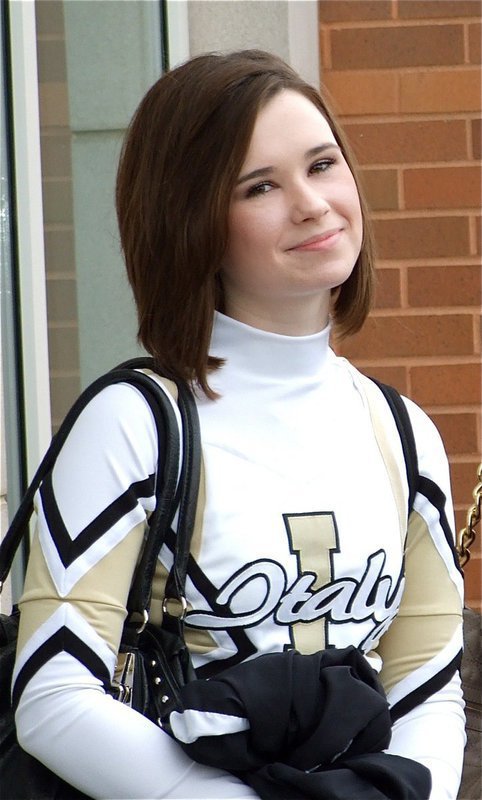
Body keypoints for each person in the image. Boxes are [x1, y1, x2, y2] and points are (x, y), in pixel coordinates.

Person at [13, 50, 465, 799]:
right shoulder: (131, 426)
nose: (312, 203)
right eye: (261, 186)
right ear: (191, 221)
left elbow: (428, 687)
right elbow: (53, 699)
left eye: (323, 165)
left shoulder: (404, 432)